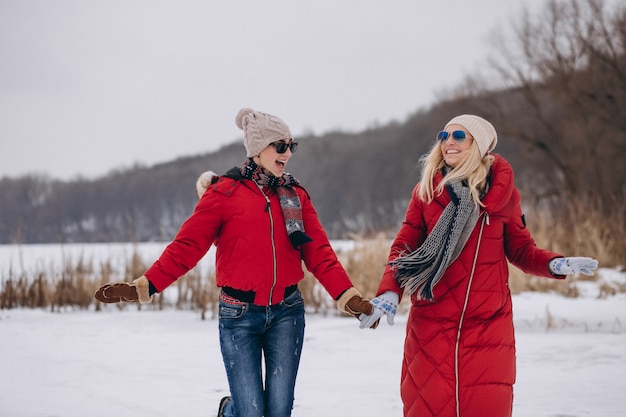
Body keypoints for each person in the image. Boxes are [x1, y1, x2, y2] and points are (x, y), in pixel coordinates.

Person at [94, 107, 373, 417]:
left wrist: (347, 295)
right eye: (280, 146)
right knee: (250, 412)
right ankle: (230, 410)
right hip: (239, 315)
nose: (288, 154)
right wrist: (144, 287)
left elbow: (319, 251)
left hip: (287, 313)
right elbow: (186, 247)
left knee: (279, 411)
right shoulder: (224, 195)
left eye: (291, 146)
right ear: (258, 148)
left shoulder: (295, 196)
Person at [359, 114, 598, 417]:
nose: (448, 142)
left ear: (479, 144)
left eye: (459, 136)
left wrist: (556, 264)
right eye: (443, 136)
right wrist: (389, 292)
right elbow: (403, 248)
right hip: (431, 327)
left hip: (489, 330)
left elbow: (522, 250)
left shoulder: (503, 196)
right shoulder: (425, 193)